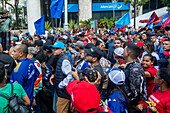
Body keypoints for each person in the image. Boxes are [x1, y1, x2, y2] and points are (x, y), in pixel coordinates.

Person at [10, 44, 39, 108]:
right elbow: (37, 74)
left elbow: (16, 90)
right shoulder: (30, 62)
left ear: (21, 53)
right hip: (29, 98)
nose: (12, 53)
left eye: (14, 51)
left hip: (22, 103)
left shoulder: (18, 70)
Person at [49, 41, 74, 113]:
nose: (53, 50)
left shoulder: (64, 59)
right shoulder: (60, 58)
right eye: (53, 49)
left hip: (63, 93)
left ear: (62, 49)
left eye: (56, 49)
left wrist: (61, 85)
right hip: (60, 91)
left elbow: (70, 75)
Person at [123, 44, 147, 113]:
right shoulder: (130, 65)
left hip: (135, 106)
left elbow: (135, 92)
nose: (123, 52)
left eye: (124, 50)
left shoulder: (135, 69)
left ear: (128, 53)